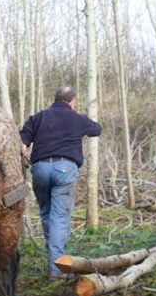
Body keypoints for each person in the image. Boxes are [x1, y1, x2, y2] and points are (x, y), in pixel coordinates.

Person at [20, 87, 101, 279]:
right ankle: (57, 269)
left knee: (47, 214)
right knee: (60, 218)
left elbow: (22, 143)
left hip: (40, 169)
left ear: (54, 99)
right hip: (65, 169)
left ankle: (54, 258)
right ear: (72, 102)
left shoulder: (37, 117)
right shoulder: (78, 118)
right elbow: (96, 130)